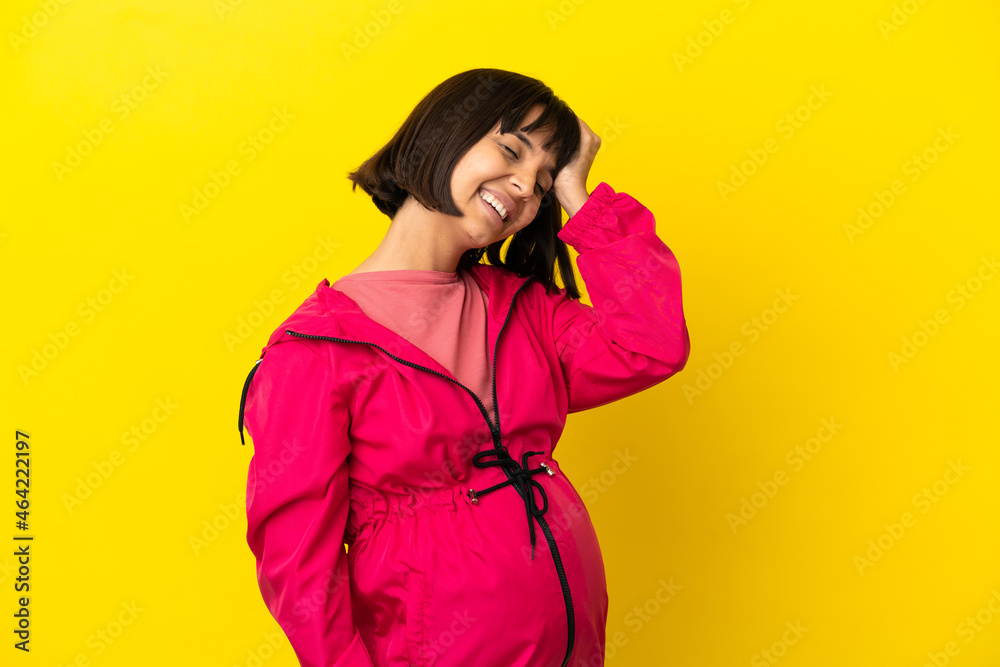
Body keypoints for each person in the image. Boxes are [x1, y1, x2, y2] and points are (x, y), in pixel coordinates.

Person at [237, 67, 690, 667]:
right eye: (511, 151)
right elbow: (299, 571)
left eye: (543, 182)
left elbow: (651, 344)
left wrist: (578, 196)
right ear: (444, 133)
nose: (525, 188)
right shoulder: (316, 350)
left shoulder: (524, 310)